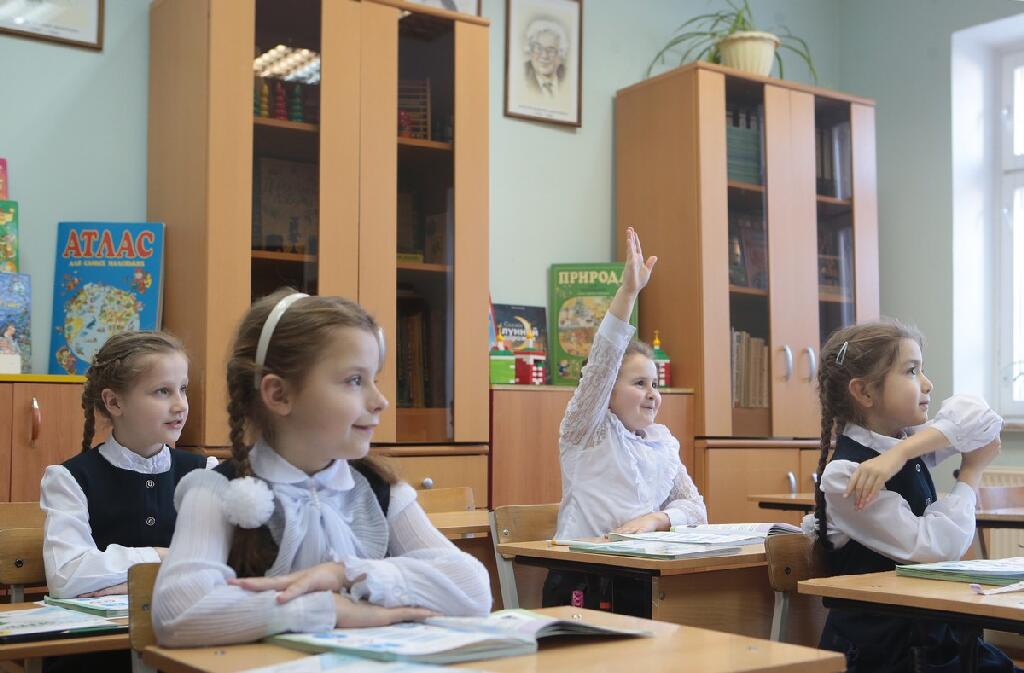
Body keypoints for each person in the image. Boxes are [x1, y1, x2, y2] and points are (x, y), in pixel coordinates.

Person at [152, 291, 491, 647]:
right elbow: (177, 614)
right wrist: (329, 609)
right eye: (354, 380)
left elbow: (474, 590)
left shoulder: (380, 490)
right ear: (279, 394)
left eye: (374, 380)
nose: (380, 401)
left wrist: (345, 574)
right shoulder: (215, 491)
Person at [805, 320, 1016, 672]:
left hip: (930, 639)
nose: (927, 383)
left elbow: (983, 418)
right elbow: (934, 548)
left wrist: (902, 452)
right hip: (886, 652)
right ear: (865, 392)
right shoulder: (846, 475)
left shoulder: (902, 443)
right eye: (911, 371)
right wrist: (970, 474)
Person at [544, 227, 707, 615]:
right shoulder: (588, 430)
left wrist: (656, 518)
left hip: (638, 575)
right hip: (583, 577)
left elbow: (695, 509)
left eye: (656, 384)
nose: (653, 394)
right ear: (608, 391)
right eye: (639, 384)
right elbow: (602, 361)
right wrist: (629, 293)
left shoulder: (660, 443)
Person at [40, 331, 212, 672]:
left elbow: (226, 568)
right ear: (114, 403)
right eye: (162, 391)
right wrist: (162, 556)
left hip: (180, 648)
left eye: (183, 388)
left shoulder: (205, 473)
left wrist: (132, 582)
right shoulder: (69, 479)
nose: (180, 404)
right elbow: (66, 576)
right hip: (95, 658)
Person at [523, 18, 568, 100]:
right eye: (538, 48)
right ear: (530, 50)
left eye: (551, 50)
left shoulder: (568, 78)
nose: (544, 55)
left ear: (560, 54)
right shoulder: (522, 75)